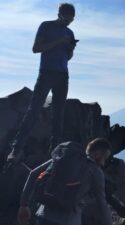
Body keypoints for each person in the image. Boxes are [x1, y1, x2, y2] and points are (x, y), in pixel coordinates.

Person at [7, 3, 78, 163]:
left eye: (72, 20)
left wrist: (70, 48)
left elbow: (68, 58)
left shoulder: (70, 32)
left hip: (63, 75)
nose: (69, 23)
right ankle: (16, 148)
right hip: (46, 72)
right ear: (60, 14)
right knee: (34, 110)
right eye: (67, 19)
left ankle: (54, 152)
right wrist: (59, 42)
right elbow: (36, 48)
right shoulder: (46, 26)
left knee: (59, 113)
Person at [17, 138, 113, 225]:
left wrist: (23, 205)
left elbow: (33, 174)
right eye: (105, 158)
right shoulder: (96, 171)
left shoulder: (62, 157)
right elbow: (102, 203)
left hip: (43, 215)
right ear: (97, 154)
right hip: (69, 221)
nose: (103, 162)